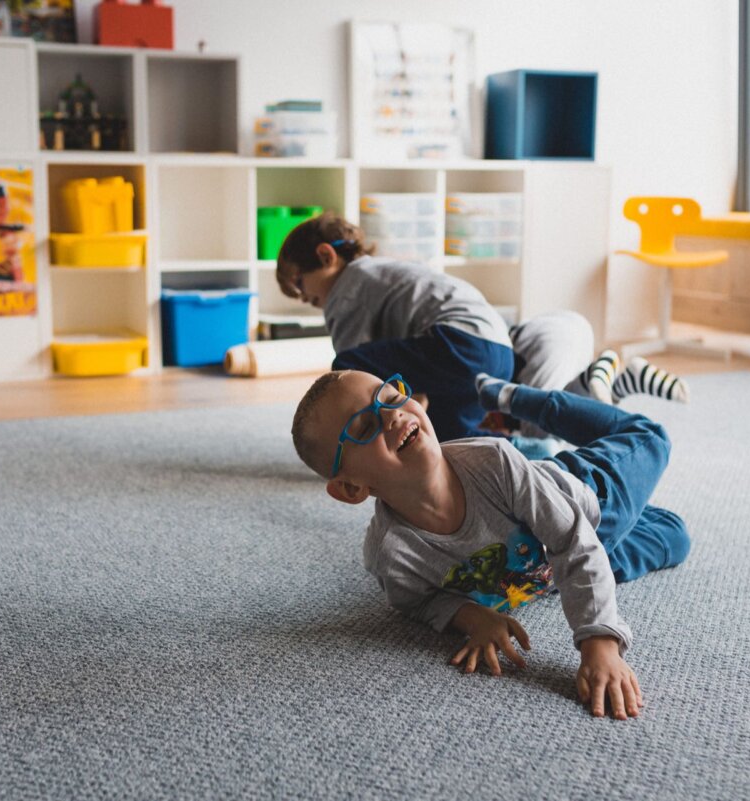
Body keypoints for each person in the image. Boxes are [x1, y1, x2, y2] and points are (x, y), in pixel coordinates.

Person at [289, 369, 691, 719]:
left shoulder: (494, 461)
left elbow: (572, 538)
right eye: (363, 428)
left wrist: (599, 643)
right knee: (675, 536)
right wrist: (471, 616)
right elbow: (418, 602)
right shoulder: (390, 555)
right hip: (548, 564)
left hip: (589, 497)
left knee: (652, 438)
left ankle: (522, 400)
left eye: (391, 397)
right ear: (351, 488)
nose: (392, 414)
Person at [276, 212, 689, 446]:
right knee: (451, 442)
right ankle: (534, 449)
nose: (306, 299)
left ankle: (363, 444)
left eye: (301, 286)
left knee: (346, 365)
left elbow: (350, 376)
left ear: (326, 256)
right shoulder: (376, 278)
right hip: (489, 351)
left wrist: (346, 433)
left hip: (461, 343)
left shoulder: (351, 283)